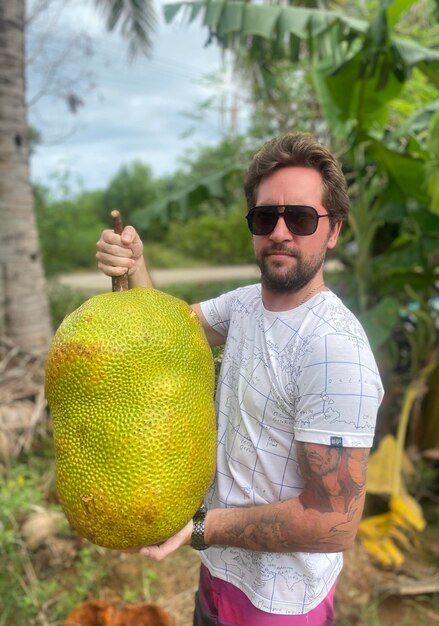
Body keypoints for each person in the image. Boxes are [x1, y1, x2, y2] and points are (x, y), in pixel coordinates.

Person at [96, 132, 384, 625]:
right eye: (264, 216)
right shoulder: (246, 304)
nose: (280, 231)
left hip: (278, 602)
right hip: (220, 573)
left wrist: (202, 527)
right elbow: (163, 335)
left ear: (333, 230)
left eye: (300, 217)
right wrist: (135, 263)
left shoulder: (335, 349)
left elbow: (332, 523)